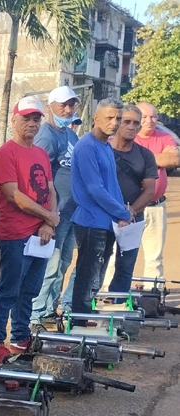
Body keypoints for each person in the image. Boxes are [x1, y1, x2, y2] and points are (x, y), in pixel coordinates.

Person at [0, 96, 57, 365]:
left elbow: (50, 190)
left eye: (36, 119)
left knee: (30, 290)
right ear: (14, 120)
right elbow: (13, 195)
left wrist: (48, 223)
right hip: (16, 234)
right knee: (9, 291)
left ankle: (20, 337)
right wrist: (48, 217)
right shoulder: (6, 153)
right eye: (26, 118)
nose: (32, 123)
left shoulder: (40, 153)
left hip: (40, 234)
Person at [70, 98, 133, 318]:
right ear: (95, 118)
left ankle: (86, 318)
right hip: (91, 221)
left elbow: (111, 185)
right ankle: (80, 321)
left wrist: (122, 212)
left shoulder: (105, 145)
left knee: (96, 276)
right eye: (109, 117)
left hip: (106, 222)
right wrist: (122, 212)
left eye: (118, 118)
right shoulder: (87, 146)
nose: (114, 123)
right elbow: (94, 189)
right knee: (88, 276)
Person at [30, 86, 80, 326]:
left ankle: (50, 308)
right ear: (50, 107)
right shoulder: (46, 136)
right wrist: (46, 217)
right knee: (50, 265)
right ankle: (36, 313)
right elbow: (38, 178)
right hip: (54, 213)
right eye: (63, 105)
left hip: (71, 212)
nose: (68, 110)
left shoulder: (71, 135)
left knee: (63, 263)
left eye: (71, 105)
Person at [102, 104, 157, 293]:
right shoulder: (103, 150)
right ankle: (84, 305)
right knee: (96, 263)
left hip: (133, 218)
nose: (131, 127)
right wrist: (118, 212)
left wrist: (129, 213)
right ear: (118, 123)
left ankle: (117, 304)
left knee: (125, 267)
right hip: (103, 216)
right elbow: (95, 187)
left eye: (135, 123)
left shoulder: (145, 155)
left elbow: (149, 191)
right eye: (126, 122)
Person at [135, 102, 179, 281]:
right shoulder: (130, 137)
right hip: (132, 207)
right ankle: (112, 291)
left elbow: (174, 160)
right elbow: (131, 160)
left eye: (153, 116)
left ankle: (152, 291)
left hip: (157, 206)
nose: (149, 120)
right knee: (119, 253)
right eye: (144, 117)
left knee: (155, 256)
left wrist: (144, 158)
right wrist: (159, 157)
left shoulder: (164, 136)